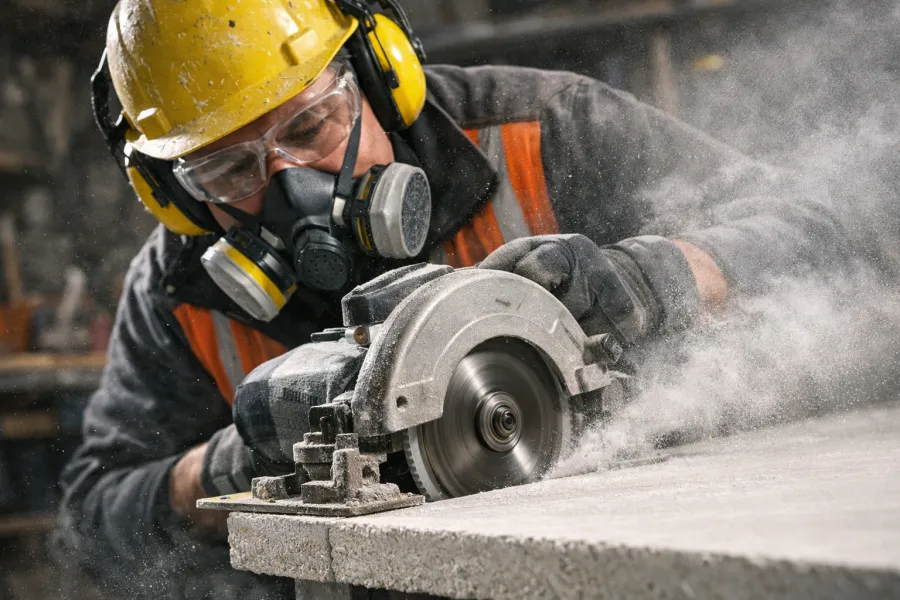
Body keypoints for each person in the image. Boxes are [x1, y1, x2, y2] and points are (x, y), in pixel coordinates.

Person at [58, 0, 849, 598]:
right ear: (173, 195)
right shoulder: (178, 290)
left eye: (311, 125)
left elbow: (833, 227)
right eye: (230, 172)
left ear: (378, 73)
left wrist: (660, 278)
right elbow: (95, 517)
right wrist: (230, 467)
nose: (289, 188)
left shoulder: (544, 132)